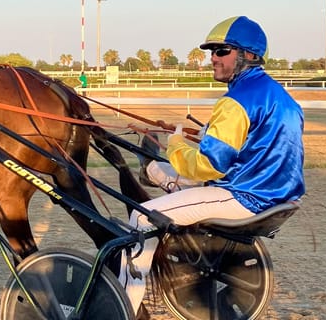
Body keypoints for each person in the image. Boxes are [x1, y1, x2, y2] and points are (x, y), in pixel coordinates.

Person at [120, 16, 306, 318]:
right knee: (176, 183)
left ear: (249, 55)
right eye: (212, 52)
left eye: (222, 51)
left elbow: (208, 165)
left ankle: (123, 305)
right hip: (274, 193)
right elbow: (249, 144)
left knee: (142, 218)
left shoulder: (236, 101)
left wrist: (176, 144)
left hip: (244, 196)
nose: (213, 59)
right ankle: (155, 172)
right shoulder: (282, 98)